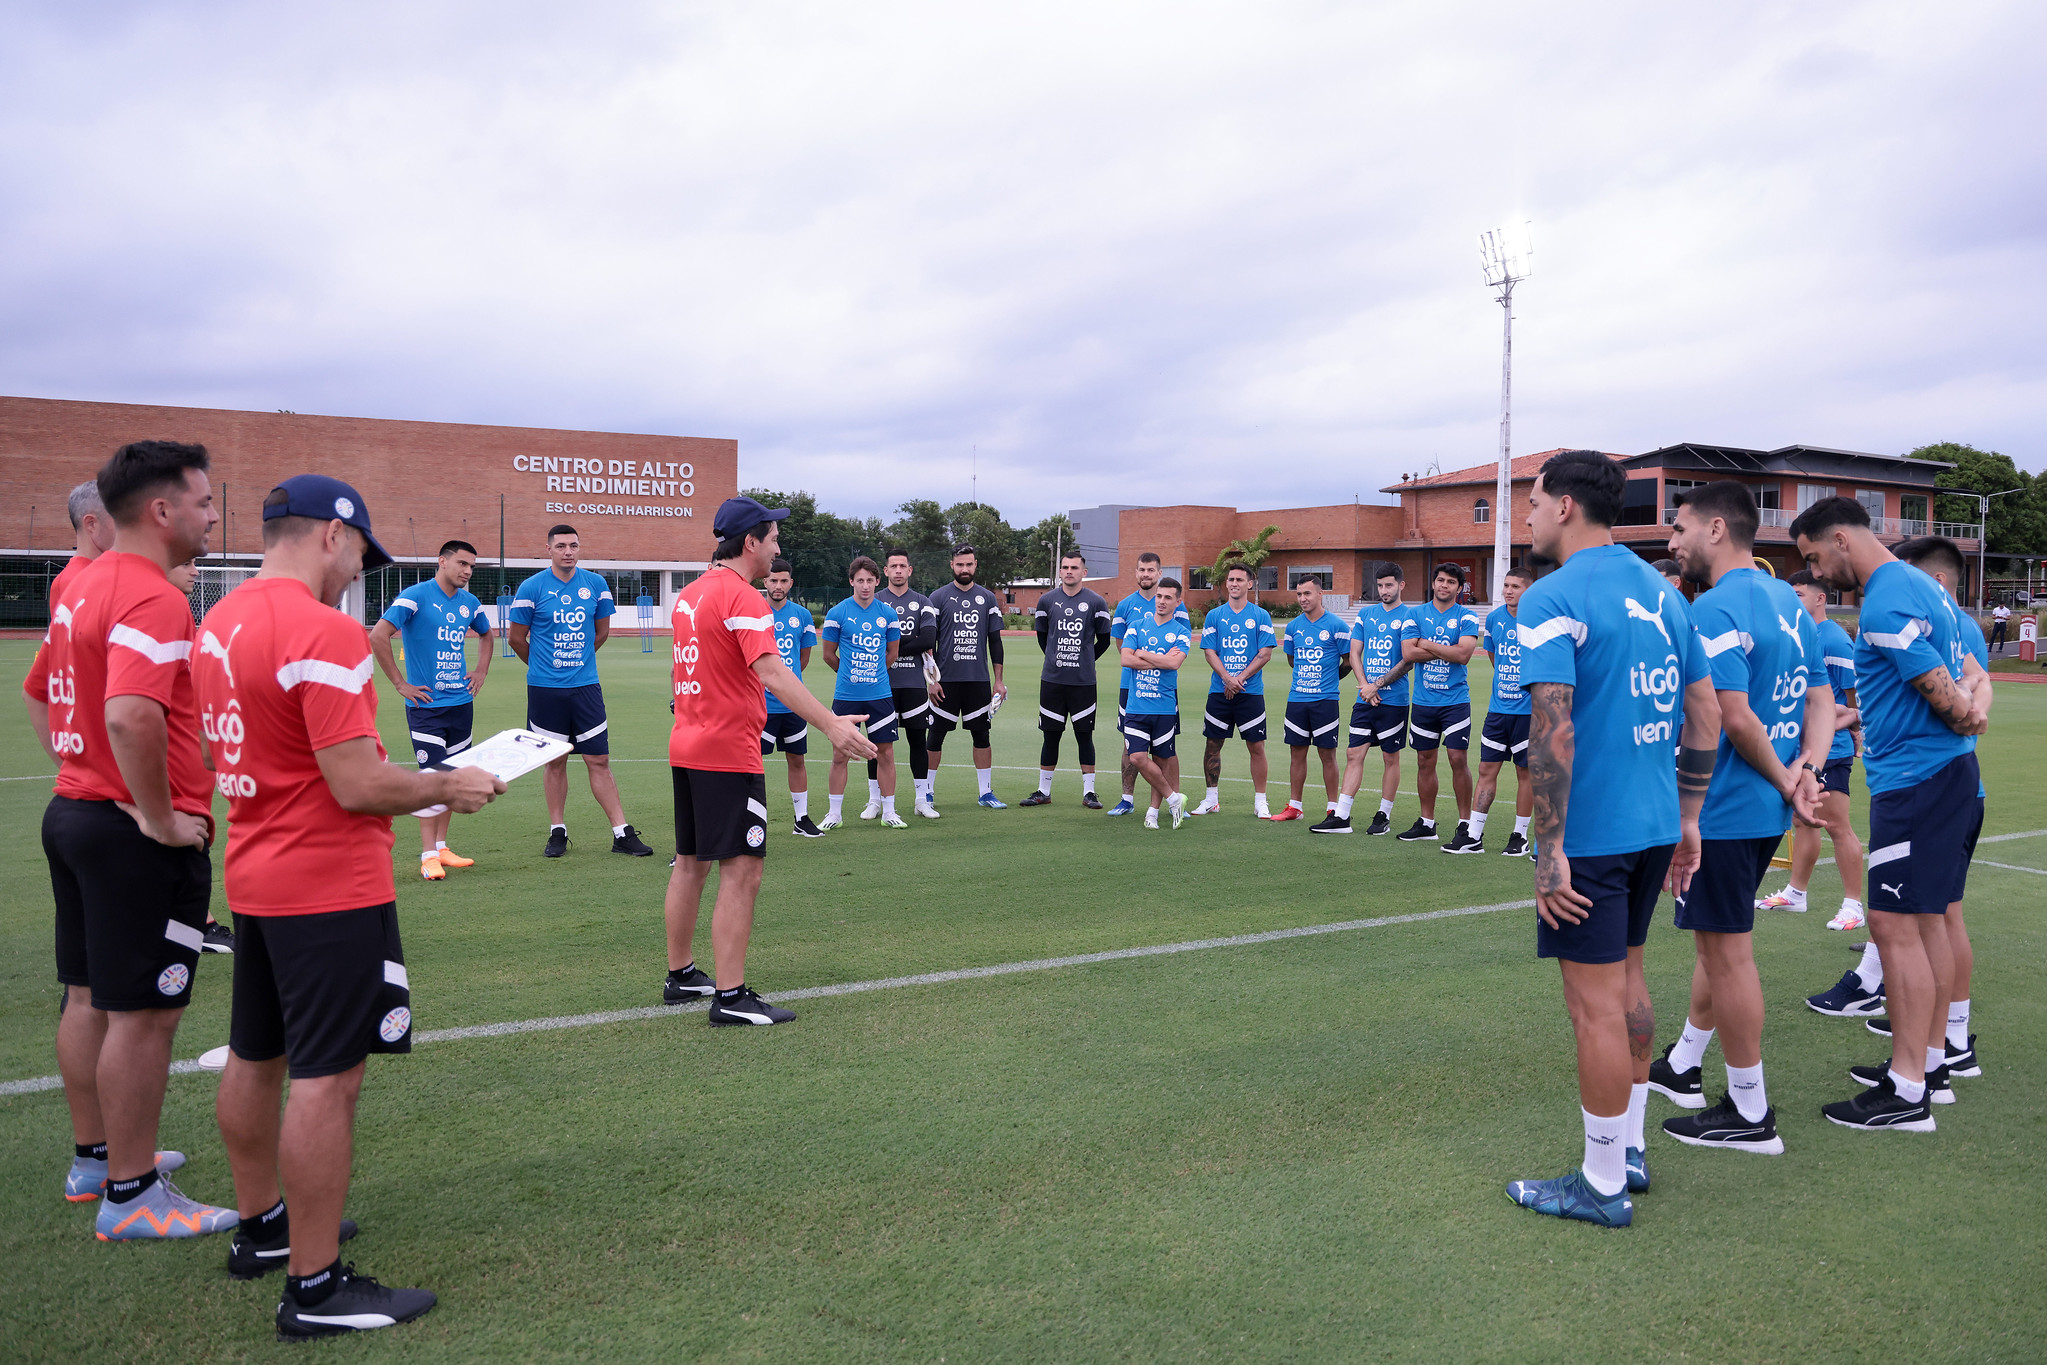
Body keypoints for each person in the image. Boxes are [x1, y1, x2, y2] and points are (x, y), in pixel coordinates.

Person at [200, 475, 504, 1337]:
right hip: (326, 885)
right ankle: (316, 1285)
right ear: (332, 536)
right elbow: (358, 781)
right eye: (359, 556)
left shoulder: (218, 622)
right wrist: (452, 784)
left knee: (257, 1054)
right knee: (327, 1079)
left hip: (257, 873)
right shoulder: (321, 630)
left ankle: (263, 1227)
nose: (356, 576)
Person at [1506, 450, 1718, 1227]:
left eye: (1530, 501)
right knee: (1626, 985)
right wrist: (1689, 816)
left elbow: (1551, 726)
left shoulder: (1550, 597)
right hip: (1655, 823)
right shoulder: (1663, 594)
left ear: (1565, 506)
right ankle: (1626, 1147)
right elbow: (1703, 716)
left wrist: (1547, 846)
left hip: (1590, 835)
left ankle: (1599, 1185)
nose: (1524, 515)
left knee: (1592, 1006)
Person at [30, 441, 230, 1233]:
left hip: (75, 812)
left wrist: (79, 769)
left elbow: (42, 690)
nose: (212, 516)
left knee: (88, 997)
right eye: (205, 502)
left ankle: (97, 1160)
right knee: (144, 1014)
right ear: (162, 510)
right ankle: (133, 1194)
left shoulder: (83, 584)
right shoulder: (152, 596)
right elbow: (129, 713)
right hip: (126, 833)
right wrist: (153, 813)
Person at [1790, 500, 1986, 1132]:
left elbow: (1944, 689)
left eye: (1815, 557)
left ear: (1841, 539)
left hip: (1919, 782)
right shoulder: (1922, 589)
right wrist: (1964, 708)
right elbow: (1969, 676)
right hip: (1940, 775)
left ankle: (1907, 1095)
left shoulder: (1885, 599)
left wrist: (1964, 713)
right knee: (1925, 925)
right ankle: (1929, 1068)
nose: (1817, 573)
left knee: (1894, 926)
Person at [1646, 481, 1828, 1156]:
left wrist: (1788, 774)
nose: (1672, 542)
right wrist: (1806, 769)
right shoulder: (1787, 599)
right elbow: (1818, 696)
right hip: (1763, 809)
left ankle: (1749, 1112)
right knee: (1717, 942)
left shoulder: (1716, 609)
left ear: (1716, 529)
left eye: (1679, 528)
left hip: (1724, 806)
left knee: (1727, 955)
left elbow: (1733, 714)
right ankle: (1684, 1064)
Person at [661, 497, 876, 1023]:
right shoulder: (744, 597)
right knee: (743, 871)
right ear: (751, 542)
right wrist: (831, 725)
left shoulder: (690, 594)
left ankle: (682, 974)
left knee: (691, 862)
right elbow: (774, 671)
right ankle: (730, 998)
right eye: (774, 537)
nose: (779, 547)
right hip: (727, 751)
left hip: (687, 743)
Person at [1849, 536, 1995, 1083]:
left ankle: (1942, 1051)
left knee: (1929, 919)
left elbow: (1969, 694)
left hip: (1927, 784)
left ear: (1921, 576)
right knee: (1933, 917)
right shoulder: (1952, 619)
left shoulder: (1919, 611)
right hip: (1952, 781)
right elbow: (1980, 684)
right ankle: (1937, 1052)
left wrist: (1970, 716)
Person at [508, 525, 653, 858]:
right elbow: (517, 638)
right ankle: (557, 832)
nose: (568, 551)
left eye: (573, 545)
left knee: (598, 760)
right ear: (548, 550)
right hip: (545, 691)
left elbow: (600, 633)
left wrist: (578, 662)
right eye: (561, 546)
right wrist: (543, 666)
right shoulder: (532, 588)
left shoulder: (596, 585)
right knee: (555, 761)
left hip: (586, 688)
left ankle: (621, 833)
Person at [368, 540, 494, 880]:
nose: (467, 571)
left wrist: (480, 671)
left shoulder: (470, 603)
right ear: (442, 561)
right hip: (426, 706)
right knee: (432, 778)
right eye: (462, 564)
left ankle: (441, 847)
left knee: (452, 779)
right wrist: (400, 684)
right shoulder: (415, 596)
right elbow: (379, 635)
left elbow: (487, 635)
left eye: (472, 566)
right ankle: (427, 856)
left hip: (460, 705)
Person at [1761, 571, 1867, 934]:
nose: (1793, 600)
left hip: (1830, 751)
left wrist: (1852, 726)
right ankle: (1796, 892)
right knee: (1802, 819)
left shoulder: (1835, 640)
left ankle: (1853, 905)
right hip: (1799, 748)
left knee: (1837, 826)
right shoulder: (1796, 631)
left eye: (1799, 594)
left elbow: (1857, 698)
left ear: (1821, 598)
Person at [1324, 562, 1416, 836]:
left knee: (1390, 757)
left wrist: (1377, 685)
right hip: (1365, 697)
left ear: (1401, 585)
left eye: (1389, 585)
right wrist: (1365, 686)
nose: (1383, 590)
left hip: (1394, 699)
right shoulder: (1366, 614)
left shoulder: (1410, 617)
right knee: (1354, 753)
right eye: (1380, 586)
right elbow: (1354, 654)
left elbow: (1408, 660)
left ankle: (1383, 816)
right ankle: (1341, 816)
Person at [820, 557, 905, 830]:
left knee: (886, 754)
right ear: (851, 582)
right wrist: (850, 676)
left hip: (880, 695)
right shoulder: (837, 613)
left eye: (870, 580)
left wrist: (873, 675)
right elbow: (829, 655)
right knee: (839, 755)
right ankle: (834, 813)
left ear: (877, 581)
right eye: (860, 580)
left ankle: (889, 812)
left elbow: (892, 654)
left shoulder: (888, 614)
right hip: (846, 695)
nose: (865, 586)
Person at [1024, 550, 1114, 808]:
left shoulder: (1096, 602)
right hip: (1052, 681)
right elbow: (1043, 638)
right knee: (1050, 736)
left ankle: (1089, 793)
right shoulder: (1046, 601)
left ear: (1084, 572)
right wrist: (1056, 659)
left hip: (1083, 683)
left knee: (1084, 736)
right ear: (1060, 571)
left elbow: (1104, 640)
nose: (1069, 571)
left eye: (1074, 568)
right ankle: (1043, 791)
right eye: (1065, 567)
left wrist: (1084, 660)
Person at [1402, 565, 1483, 848]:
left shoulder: (1467, 616)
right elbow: (1408, 652)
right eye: (1440, 580)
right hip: (1424, 702)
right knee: (1424, 762)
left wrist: (1426, 642)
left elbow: (1463, 655)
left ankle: (1466, 825)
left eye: (1451, 582)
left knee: (1457, 760)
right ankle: (1427, 823)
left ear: (1459, 588)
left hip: (1455, 702)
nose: (1444, 585)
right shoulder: (1415, 613)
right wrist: (1443, 647)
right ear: (1433, 583)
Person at [1106, 553, 1190, 817]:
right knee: (1130, 745)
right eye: (1141, 569)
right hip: (1131, 686)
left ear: (1159, 572)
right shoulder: (1125, 606)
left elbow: (1177, 653)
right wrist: (1153, 659)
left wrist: (1143, 655)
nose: (1146, 574)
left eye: (1150, 570)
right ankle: (1127, 798)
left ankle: (1174, 800)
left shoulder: (1179, 607)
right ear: (1136, 572)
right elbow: (1123, 650)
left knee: (1167, 746)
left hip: (1164, 689)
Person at [926, 544, 1009, 809]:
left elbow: (995, 642)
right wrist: (932, 680)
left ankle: (985, 792)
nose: (964, 569)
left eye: (969, 564)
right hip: (945, 681)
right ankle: (926, 792)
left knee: (982, 735)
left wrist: (998, 681)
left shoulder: (987, 598)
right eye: (960, 564)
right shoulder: (937, 598)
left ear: (975, 565)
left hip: (977, 681)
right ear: (952, 565)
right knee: (936, 735)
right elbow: (929, 644)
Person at [1194, 562, 1277, 818]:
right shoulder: (1215, 616)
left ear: (1250, 584)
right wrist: (1226, 679)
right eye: (1231, 579)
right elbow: (1209, 651)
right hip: (1219, 692)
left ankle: (1260, 801)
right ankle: (1211, 799)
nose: (1234, 583)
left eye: (1239, 580)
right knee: (1212, 744)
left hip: (1250, 693)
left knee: (1256, 746)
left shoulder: (1260, 615)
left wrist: (1238, 679)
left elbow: (1265, 654)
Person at [1470, 564, 1536, 857]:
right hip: (1498, 711)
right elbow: (1495, 657)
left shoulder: (1538, 619)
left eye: (1515, 586)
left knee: (1526, 773)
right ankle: (1473, 835)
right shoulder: (1495, 618)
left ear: (1529, 589)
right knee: (1486, 769)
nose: (1508, 591)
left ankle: (1519, 836)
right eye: (1506, 586)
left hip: (1529, 713)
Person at [758, 558, 824, 836]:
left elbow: (802, 659)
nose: (778, 586)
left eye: (783, 581)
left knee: (797, 760)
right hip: (759, 705)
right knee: (751, 764)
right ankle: (751, 819)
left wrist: (787, 686)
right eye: (773, 580)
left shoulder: (802, 616)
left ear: (791, 583)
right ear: (765, 581)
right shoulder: (753, 612)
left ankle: (801, 819)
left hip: (793, 706)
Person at [1275, 576, 1346, 821]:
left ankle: (1334, 807)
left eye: (1307, 594)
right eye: (1299, 595)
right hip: (1297, 699)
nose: (1303, 599)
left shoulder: (1337, 625)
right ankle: (1295, 807)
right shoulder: (1293, 627)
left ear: (1320, 594)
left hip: (1325, 700)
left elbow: (1348, 661)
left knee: (1327, 754)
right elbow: (1292, 660)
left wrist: (1329, 679)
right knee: (1297, 751)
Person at [876, 550, 941, 818]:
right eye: (894, 566)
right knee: (878, 745)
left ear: (910, 570)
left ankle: (921, 800)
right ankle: (875, 801)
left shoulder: (922, 601)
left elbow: (927, 640)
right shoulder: (876, 601)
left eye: (903, 566)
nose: (899, 570)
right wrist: (907, 640)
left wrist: (891, 645)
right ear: (886, 570)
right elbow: (873, 639)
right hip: (881, 684)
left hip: (914, 684)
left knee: (917, 741)